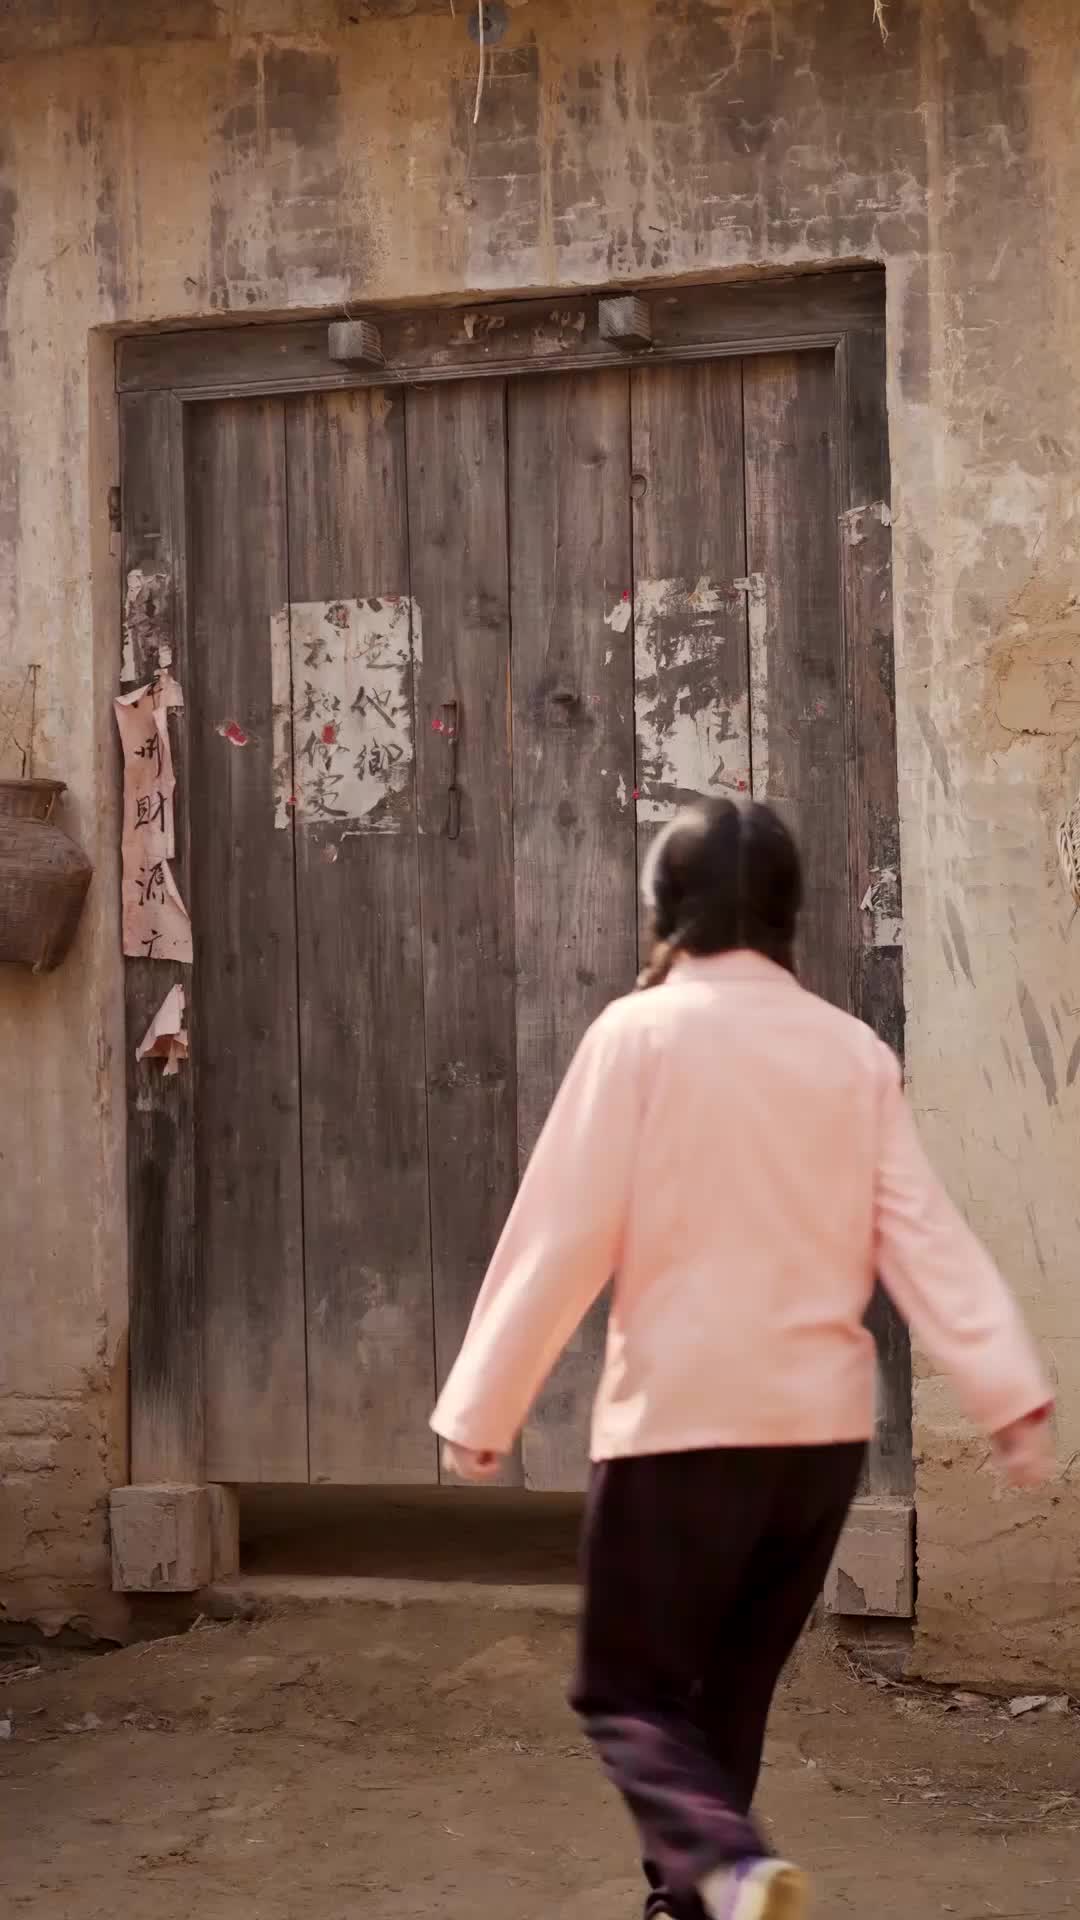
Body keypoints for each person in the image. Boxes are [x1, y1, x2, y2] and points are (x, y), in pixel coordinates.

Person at [430, 797, 1052, 1920]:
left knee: (626, 1694)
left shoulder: (638, 1036)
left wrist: (483, 1408)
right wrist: (1007, 1392)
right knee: (729, 1696)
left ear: (665, 909)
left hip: (681, 1426)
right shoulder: (851, 1052)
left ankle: (722, 1863)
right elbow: (924, 1236)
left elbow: (561, 1233)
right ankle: (700, 1898)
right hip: (818, 1445)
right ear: (786, 915)